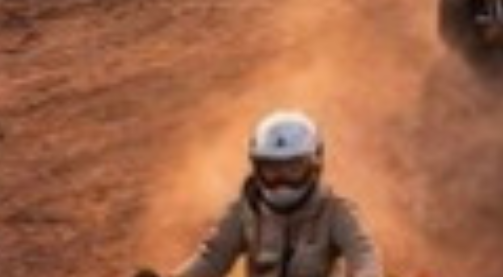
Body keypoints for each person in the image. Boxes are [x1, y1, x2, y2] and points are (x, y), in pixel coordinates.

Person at [136, 110, 382, 277]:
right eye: (271, 168)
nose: (281, 180)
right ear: (256, 167)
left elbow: (364, 256)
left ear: (315, 165)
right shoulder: (244, 211)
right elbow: (211, 260)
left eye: (292, 168)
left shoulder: (336, 211)